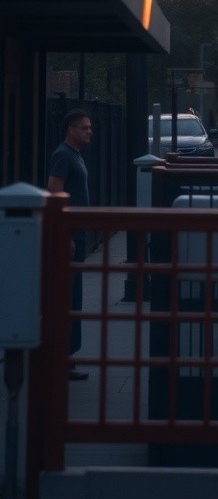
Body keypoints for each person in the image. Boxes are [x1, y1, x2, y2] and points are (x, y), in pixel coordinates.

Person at [47, 109, 93, 381]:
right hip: (70, 236)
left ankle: (67, 357)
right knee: (67, 297)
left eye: (90, 128)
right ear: (71, 130)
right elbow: (54, 190)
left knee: (73, 296)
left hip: (77, 234)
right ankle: (60, 359)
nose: (89, 132)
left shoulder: (74, 154)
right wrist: (65, 236)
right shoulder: (63, 155)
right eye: (84, 128)